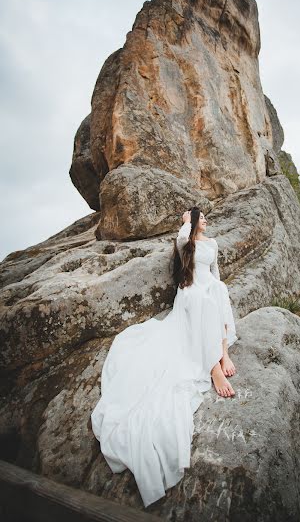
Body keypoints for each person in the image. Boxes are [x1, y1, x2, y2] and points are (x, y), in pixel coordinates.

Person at [90, 206, 238, 507]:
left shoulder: (213, 245)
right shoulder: (187, 242)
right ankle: (213, 367)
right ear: (193, 222)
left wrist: (216, 288)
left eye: (205, 218)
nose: (206, 222)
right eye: (202, 218)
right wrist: (186, 219)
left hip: (208, 290)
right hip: (189, 294)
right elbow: (183, 240)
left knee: (219, 291)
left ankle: (222, 352)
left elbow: (215, 274)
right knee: (200, 301)